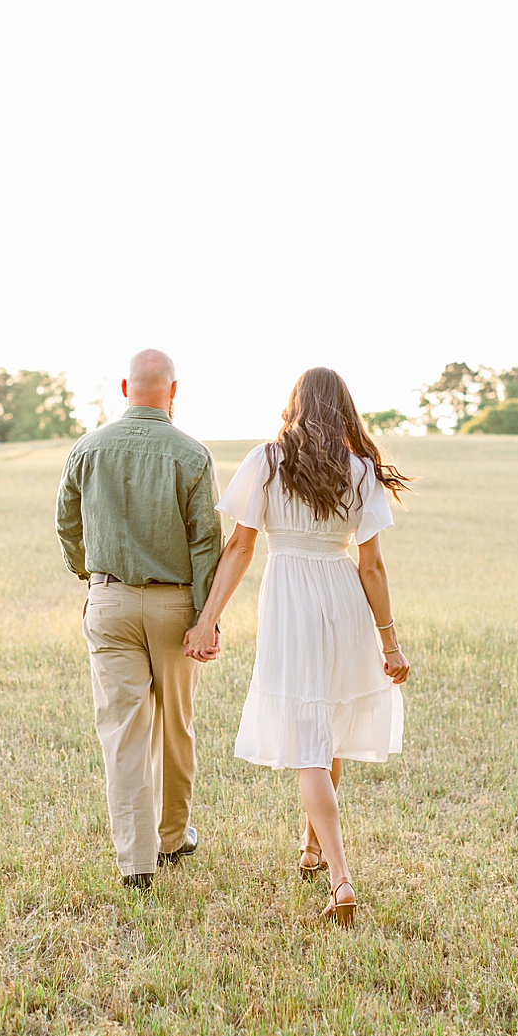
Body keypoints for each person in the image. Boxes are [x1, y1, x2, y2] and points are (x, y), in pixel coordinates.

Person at [183, 367, 411, 926]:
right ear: (345, 410)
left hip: (291, 602)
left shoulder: (267, 460)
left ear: (296, 405)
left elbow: (239, 547)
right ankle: (310, 849)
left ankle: (340, 878)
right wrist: (390, 642)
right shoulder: (360, 471)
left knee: (310, 746)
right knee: (324, 726)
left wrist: (208, 619)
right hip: (343, 601)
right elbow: (372, 566)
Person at [55, 350, 223, 891]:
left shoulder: (88, 448)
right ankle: (173, 837)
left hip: (109, 602)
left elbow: (66, 522)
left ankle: (136, 862)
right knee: (176, 724)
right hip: (176, 606)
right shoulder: (192, 455)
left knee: (123, 733)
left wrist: (91, 574)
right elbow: (206, 545)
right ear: (174, 391)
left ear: (126, 387)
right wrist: (206, 619)